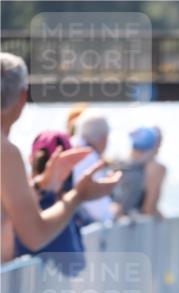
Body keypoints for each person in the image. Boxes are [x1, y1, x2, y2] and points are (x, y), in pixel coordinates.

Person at [0, 53, 121, 264]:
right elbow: (36, 235)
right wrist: (78, 195)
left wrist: (40, 185)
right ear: (22, 97)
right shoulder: (6, 153)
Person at [14, 130, 87, 276]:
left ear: (31, 159)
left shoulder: (13, 195)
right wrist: (74, 198)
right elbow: (74, 265)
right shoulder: (56, 205)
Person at [71, 110, 118, 225]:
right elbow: (98, 211)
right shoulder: (89, 157)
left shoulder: (71, 146)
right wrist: (115, 212)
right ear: (103, 139)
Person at [111, 126, 166, 217]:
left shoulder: (116, 163)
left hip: (109, 217)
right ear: (155, 145)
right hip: (129, 225)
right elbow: (148, 209)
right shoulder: (156, 168)